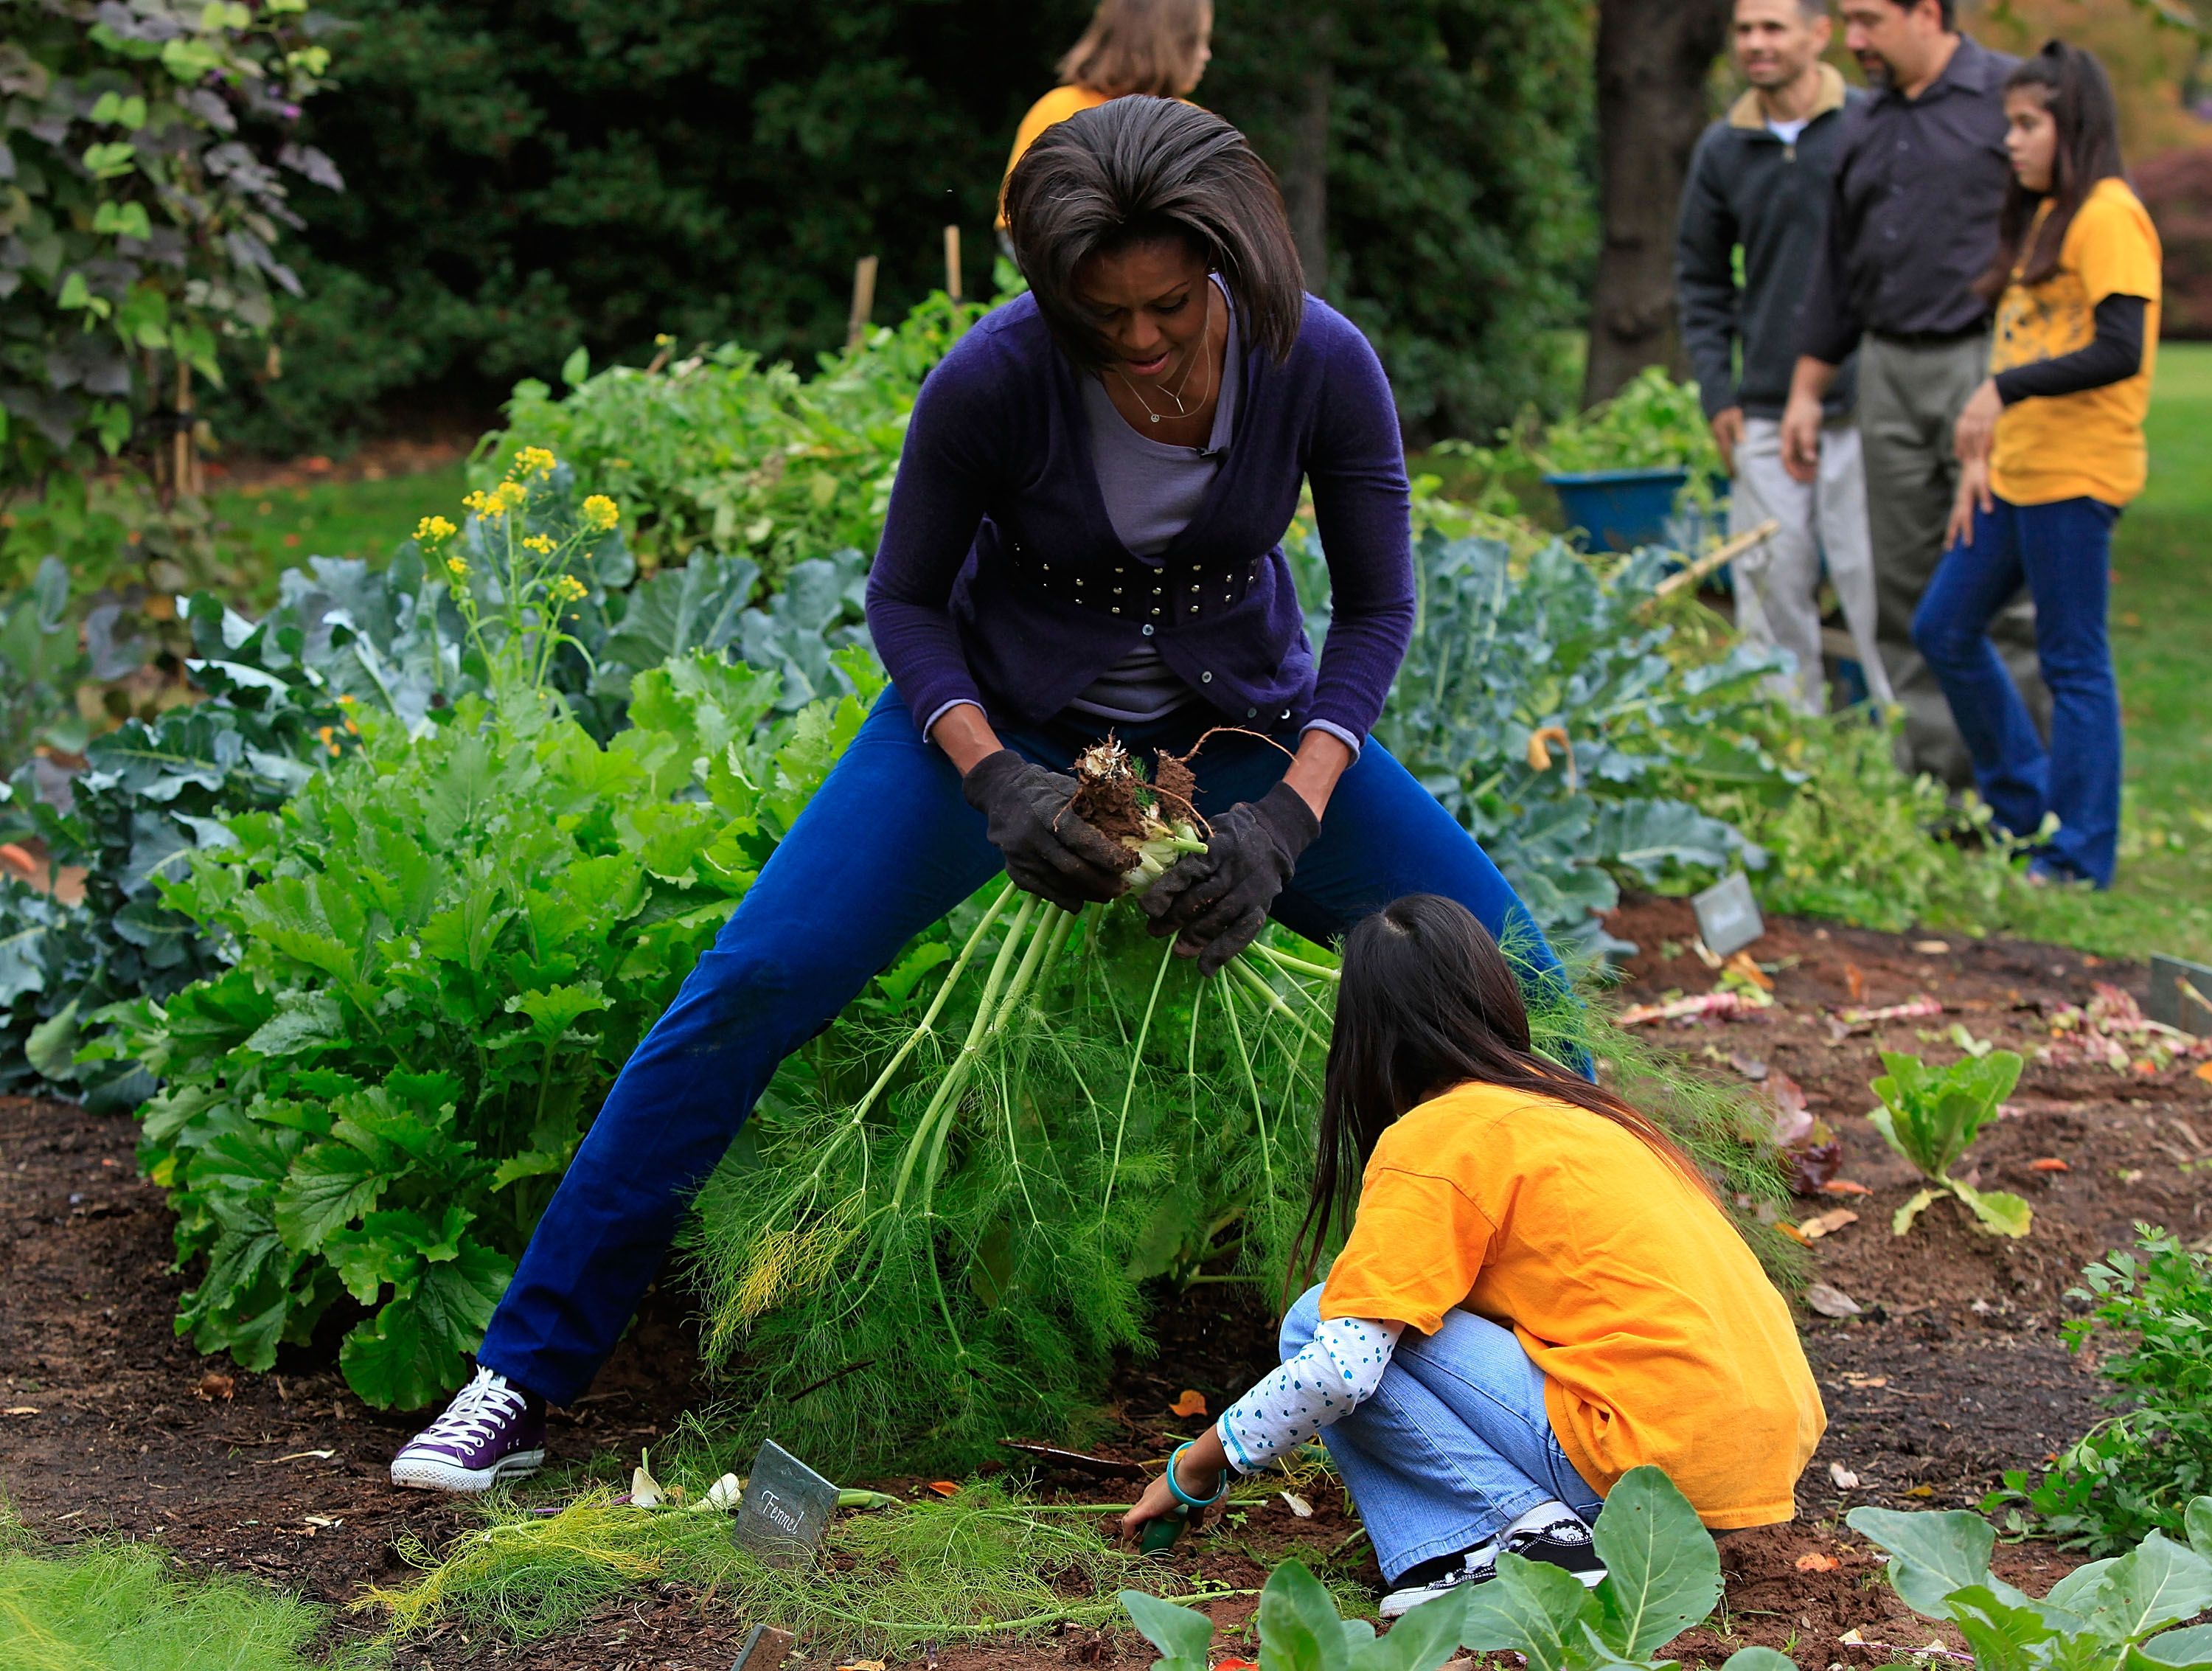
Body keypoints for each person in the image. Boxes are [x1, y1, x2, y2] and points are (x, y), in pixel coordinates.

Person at [387, 97, 1585, 1493]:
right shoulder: (994, 377)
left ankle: (1585, 1368)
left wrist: (1288, 820)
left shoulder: (1316, 361)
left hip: (1238, 730)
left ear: (1230, 270)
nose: (1138, 340)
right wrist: (997, 783)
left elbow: (1377, 610)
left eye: (1168, 309)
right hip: (1008, 719)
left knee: (1520, 986)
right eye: (1101, 315)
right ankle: (517, 1376)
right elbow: (904, 602)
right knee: (753, 980)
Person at [1120, 894, 1824, 1616]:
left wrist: (1192, 1469)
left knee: (1318, 1321)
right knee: (1391, 1318)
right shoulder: (1581, 1110)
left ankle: (1513, 1545)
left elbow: (1340, 1370)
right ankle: (1536, 1529)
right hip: (1752, 1470)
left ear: (1367, 1034)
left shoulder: (1438, 1135)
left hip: (1646, 1466)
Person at [1913, 42, 2158, 890]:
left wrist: (1999, 393)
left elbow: (2120, 349)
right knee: (1943, 627)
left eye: (2028, 124)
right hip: (2017, 473)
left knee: (2073, 660)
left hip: (2078, 475)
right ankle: (2023, 811)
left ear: (2073, 124)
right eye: (2008, 122)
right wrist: (1987, 450)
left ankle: (2079, 855)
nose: (2010, 141)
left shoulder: (2108, 214)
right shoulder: (2047, 217)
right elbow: (2033, 339)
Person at [1781, 0, 2047, 781]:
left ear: (1927, 12)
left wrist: (2019, 372)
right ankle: (1941, 782)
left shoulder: (2009, 97)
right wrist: (1807, 389)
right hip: (1885, 369)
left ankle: (2028, 789)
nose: (1852, 41)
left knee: (2004, 590)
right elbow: (1838, 264)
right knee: (1905, 590)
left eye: (1868, 21)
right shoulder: (1866, 120)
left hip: (1989, 364)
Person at [1677, 0, 1893, 716]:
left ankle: (1911, 763)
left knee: (1878, 590)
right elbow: (1702, 282)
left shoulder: (1870, 124)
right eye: (1744, 31)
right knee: (1770, 594)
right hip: (1764, 405)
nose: (1756, 45)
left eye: (1773, 28)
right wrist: (1720, 394)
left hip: (1865, 404)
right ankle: (1793, 762)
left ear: (1818, 34)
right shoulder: (1723, 148)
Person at [999, 0, 1214, 218]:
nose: (1207, 55)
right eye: (1197, 41)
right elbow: (1017, 223)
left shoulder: (1197, 126)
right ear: (1163, 43)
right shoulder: (1058, 112)